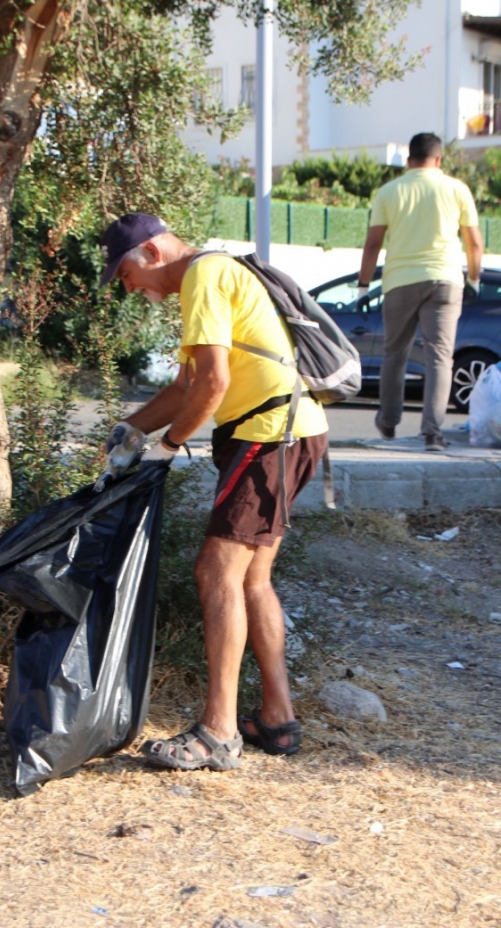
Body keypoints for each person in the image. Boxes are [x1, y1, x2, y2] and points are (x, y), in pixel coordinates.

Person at [98, 212, 329, 772]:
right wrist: (130, 431)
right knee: (251, 578)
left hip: (266, 434)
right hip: (289, 430)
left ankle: (219, 732)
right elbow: (185, 387)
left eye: (126, 275)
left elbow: (213, 385)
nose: (130, 290)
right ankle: (276, 717)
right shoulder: (211, 275)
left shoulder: (202, 276)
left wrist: (167, 447)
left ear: (152, 253)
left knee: (215, 571)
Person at [358, 132, 484, 451]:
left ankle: (388, 420)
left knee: (394, 352)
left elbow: (373, 243)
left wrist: (363, 285)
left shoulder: (389, 191)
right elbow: (475, 243)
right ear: (439, 159)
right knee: (440, 357)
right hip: (444, 279)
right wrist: (474, 278)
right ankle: (432, 432)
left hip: (400, 280)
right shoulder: (457, 189)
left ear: (408, 159)